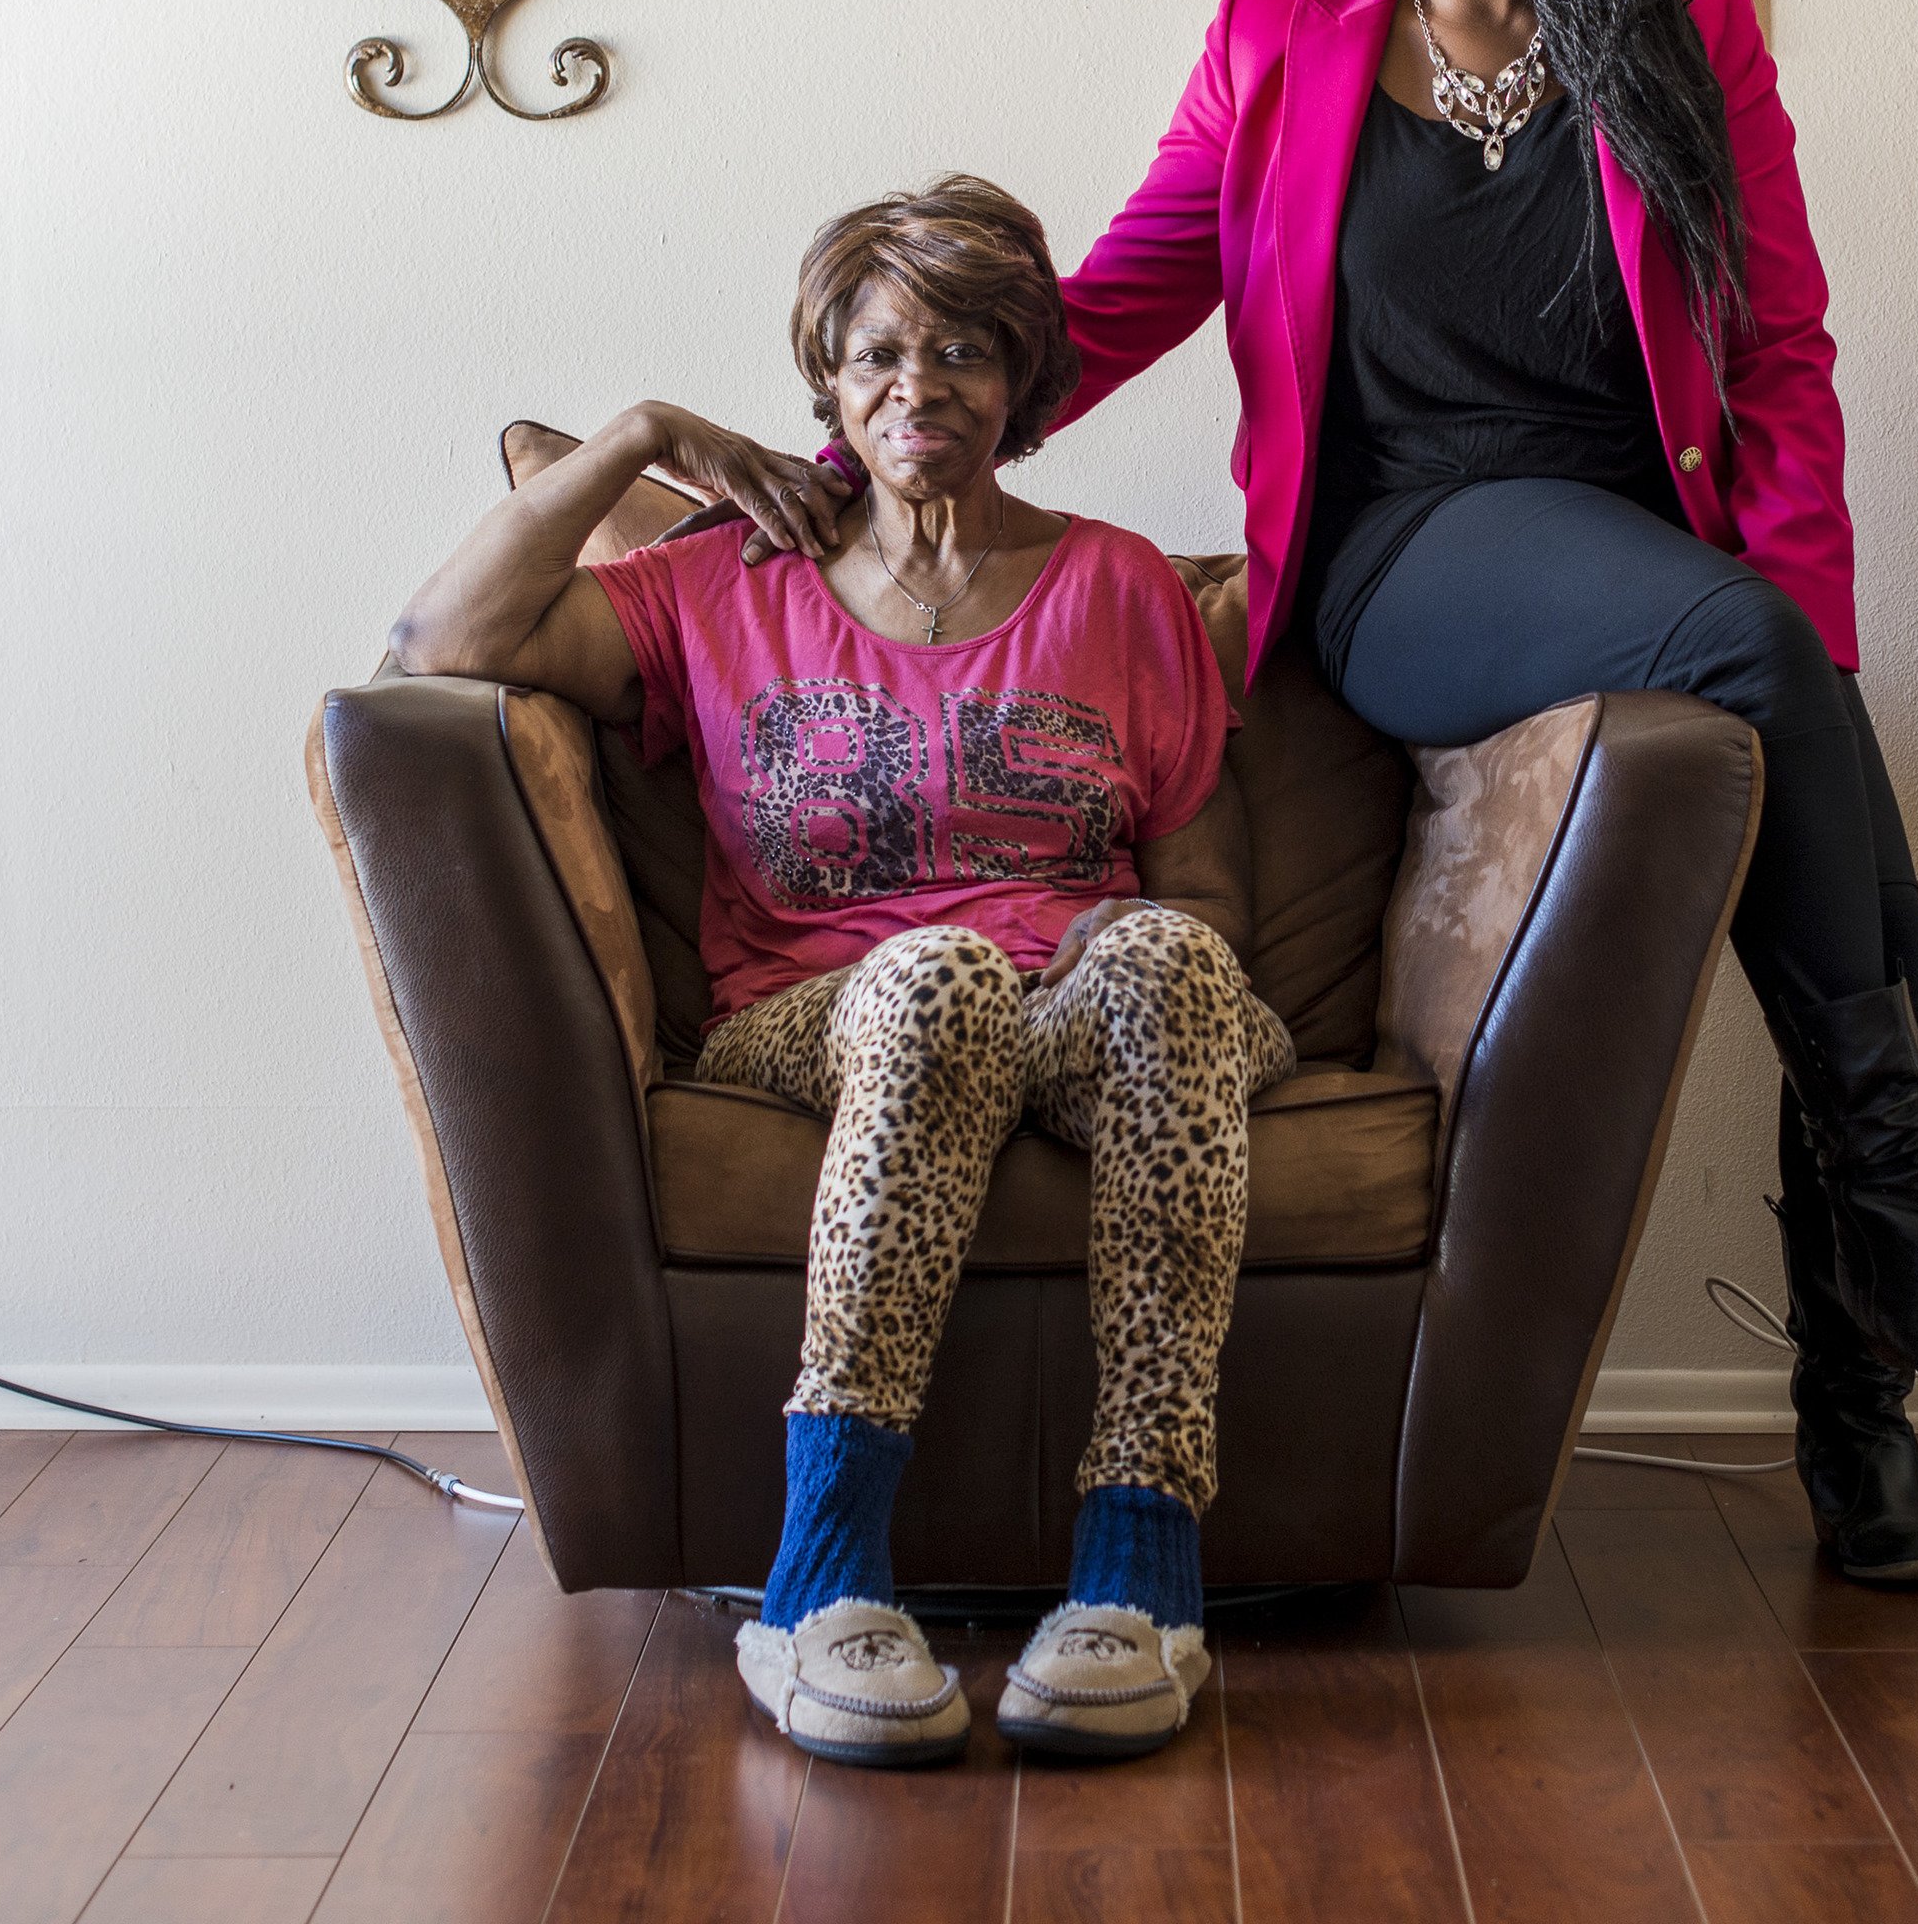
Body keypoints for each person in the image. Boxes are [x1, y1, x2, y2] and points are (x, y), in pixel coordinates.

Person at [1041, 0, 1918, 1590]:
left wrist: (1814, 662)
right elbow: (1107, 306)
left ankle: (1858, 1443)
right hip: (1406, 567)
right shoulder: (1276, 42)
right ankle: (1915, 1245)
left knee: (1860, 869)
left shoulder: (1681, 34)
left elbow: (1776, 353)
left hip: (1641, 567)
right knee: (1759, 665)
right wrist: (856, 454)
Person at [389, 177, 1285, 1770]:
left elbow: (1208, 890)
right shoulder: (724, 578)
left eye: (960, 353)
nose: (915, 388)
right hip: (827, 1015)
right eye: (877, 354)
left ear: (1021, 384)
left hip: (1076, 1010)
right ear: (826, 382)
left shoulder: (1125, 584)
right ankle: (820, 1581)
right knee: (936, 979)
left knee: (1165, 964)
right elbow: (438, 642)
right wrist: (648, 432)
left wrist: (1134, 931)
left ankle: (1139, 1570)